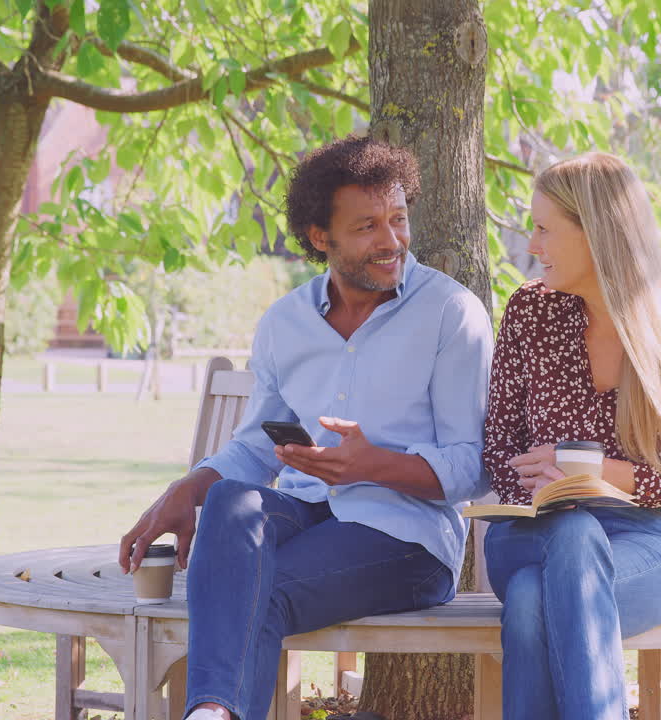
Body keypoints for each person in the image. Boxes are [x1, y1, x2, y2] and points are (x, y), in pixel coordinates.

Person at [118, 136, 493, 720]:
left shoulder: (450, 314)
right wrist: (185, 491)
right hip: (301, 516)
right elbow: (261, 443)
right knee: (230, 501)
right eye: (367, 225)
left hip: (406, 537)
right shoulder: (285, 324)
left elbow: (471, 464)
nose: (391, 240)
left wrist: (372, 465)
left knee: (247, 594)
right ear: (322, 238)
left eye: (398, 219)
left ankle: (211, 712)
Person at [481, 152, 661, 720]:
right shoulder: (530, 313)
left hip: (646, 541)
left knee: (530, 601)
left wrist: (594, 472)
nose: (532, 245)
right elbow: (500, 447)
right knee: (572, 532)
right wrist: (541, 481)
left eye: (545, 229)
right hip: (533, 530)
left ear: (595, 234)